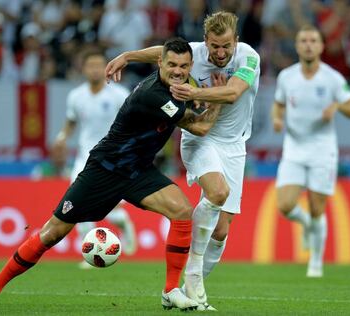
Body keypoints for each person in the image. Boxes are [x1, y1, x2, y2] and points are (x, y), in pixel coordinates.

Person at [0, 37, 223, 311]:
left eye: (183, 66)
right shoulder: (154, 95)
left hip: (138, 170)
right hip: (104, 169)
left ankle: (170, 290)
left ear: (191, 65)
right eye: (171, 65)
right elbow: (200, 128)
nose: (178, 71)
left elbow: (168, 57)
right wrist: (219, 98)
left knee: (181, 211)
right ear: (160, 64)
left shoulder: (175, 83)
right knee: (52, 233)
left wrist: (129, 54)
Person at [105, 11, 260, 310]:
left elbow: (233, 93)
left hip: (235, 145)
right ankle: (192, 274)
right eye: (214, 46)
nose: (220, 52)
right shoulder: (196, 53)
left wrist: (197, 91)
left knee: (221, 230)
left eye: (226, 45)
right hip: (200, 138)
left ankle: (189, 288)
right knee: (216, 192)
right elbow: (161, 54)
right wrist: (128, 56)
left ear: (236, 41)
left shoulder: (249, 58)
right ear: (205, 42)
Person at [271, 24, 350, 278]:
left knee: (317, 207)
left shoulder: (333, 78)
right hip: (294, 148)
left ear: (321, 46)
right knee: (286, 205)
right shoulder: (286, 77)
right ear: (298, 46)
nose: (308, 44)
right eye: (303, 40)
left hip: (322, 149)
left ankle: (316, 263)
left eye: (313, 40)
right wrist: (277, 119)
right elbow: (277, 106)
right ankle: (307, 226)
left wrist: (337, 106)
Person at [52, 49, 137, 268]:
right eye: (91, 66)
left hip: (115, 160)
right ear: (84, 68)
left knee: (113, 213)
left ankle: (124, 224)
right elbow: (71, 121)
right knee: (75, 207)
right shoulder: (76, 96)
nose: (95, 70)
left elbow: (133, 122)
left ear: (106, 68)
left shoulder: (118, 95)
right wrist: (61, 137)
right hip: (85, 160)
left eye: (99, 65)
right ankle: (91, 255)